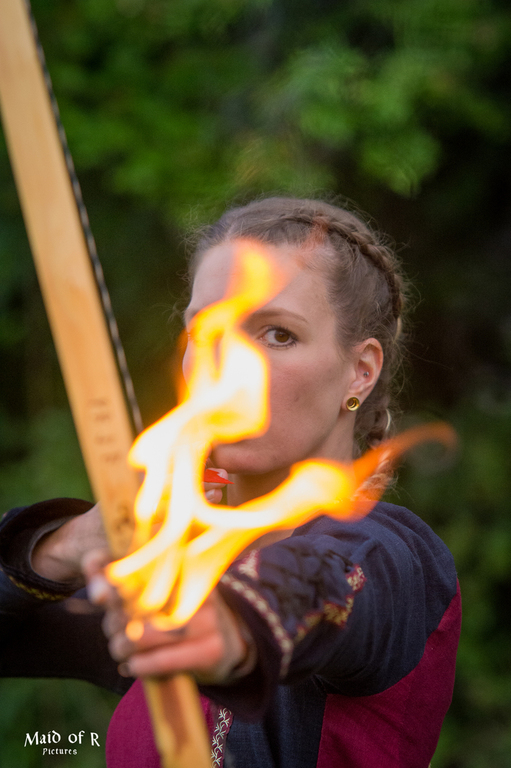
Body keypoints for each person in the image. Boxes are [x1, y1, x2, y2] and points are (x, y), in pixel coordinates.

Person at [0, 197, 460, 768]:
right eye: (205, 332)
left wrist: (235, 626)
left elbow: (332, 585)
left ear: (359, 372)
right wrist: (66, 546)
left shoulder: (395, 557)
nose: (224, 364)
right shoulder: (167, 573)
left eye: (278, 334)